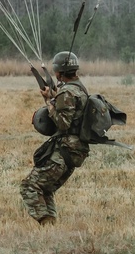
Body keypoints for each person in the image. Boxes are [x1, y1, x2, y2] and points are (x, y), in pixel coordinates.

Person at [20, 50, 89, 225]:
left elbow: (63, 123)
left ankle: (46, 223)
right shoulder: (80, 89)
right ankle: (50, 229)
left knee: (30, 186)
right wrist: (53, 98)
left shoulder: (66, 93)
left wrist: (48, 103)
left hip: (65, 151)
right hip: (75, 151)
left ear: (59, 73)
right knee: (46, 189)